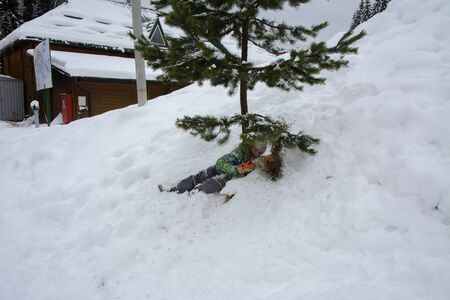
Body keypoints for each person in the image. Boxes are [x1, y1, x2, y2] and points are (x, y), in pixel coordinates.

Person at [167, 142, 266, 194]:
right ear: (252, 148)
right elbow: (226, 165)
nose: (258, 154)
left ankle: (199, 189)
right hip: (221, 165)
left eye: (260, 153)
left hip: (227, 171)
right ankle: (179, 187)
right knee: (204, 175)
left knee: (215, 182)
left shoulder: (254, 157)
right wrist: (236, 169)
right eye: (257, 151)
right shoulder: (239, 152)